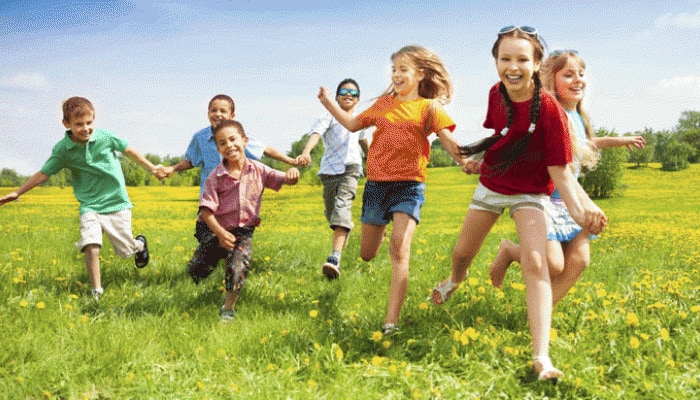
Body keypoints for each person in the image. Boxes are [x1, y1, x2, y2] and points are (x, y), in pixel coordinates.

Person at [429, 27, 607, 380]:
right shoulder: (496, 93)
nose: (513, 67)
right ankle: (454, 280)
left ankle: (542, 358)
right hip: (493, 183)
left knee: (538, 263)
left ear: (537, 63)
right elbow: (502, 133)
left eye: (522, 59)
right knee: (463, 252)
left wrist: (580, 210)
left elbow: (560, 170)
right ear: (495, 61)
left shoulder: (552, 112)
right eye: (505, 58)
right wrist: (477, 157)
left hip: (531, 193)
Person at [317, 45, 466, 336]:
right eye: (394, 69)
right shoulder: (384, 104)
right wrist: (327, 102)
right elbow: (350, 124)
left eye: (403, 69)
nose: (396, 75)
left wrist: (465, 160)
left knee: (399, 250)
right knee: (368, 254)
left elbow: (447, 139)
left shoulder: (429, 108)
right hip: (376, 186)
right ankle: (383, 226)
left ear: (420, 73)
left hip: (409, 186)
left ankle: (391, 323)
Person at [489, 50, 646, 304]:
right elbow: (555, 163)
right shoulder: (553, 115)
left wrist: (620, 140)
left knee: (580, 259)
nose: (577, 80)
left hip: (569, 199)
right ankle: (510, 250)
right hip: (546, 200)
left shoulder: (578, 117)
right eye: (568, 75)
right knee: (552, 264)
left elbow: (587, 142)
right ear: (551, 80)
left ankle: (541, 313)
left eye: (581, 74)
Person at [0, 96, 158, 300]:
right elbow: (44, 173)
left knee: (125, 251)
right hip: (90, 206)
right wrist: (18, 192)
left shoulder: (105, 138)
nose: (85, 128)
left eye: (89, 123)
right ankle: (96, 292)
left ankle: (139, 245)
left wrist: (153, 168)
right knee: (90, 244)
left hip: (116, 202)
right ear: (66, 124)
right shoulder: (63, 150)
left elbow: (129, 151)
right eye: (79, 124)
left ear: (94, 120)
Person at [185, 120, 299, 321]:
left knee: (237, 266)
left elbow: (282, 178)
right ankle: (195, 276)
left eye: (232, 139)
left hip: (243, 232)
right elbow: (205, 211)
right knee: (198, 268)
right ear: (218, 148)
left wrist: (292, 175)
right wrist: (220, 234)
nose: (228, 145)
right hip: (216, 230)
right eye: (222, 143)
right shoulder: (216, 177)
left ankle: (228, 308)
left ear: (244, 141)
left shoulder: (259, 170)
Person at [296, 78, 369, 280]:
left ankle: (334, 257)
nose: (349, 95)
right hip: (329, 171)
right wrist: (306, 152)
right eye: (344, 91)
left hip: (351, 168)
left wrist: (371, 160)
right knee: (332, 213)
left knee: (342, 207)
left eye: (354, 93)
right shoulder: (328, 116)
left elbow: (363, 140)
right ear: (336, 97)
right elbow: (316, 134)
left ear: (358, 99)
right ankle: (342, 231)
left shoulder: (360, 119)